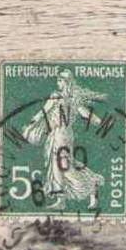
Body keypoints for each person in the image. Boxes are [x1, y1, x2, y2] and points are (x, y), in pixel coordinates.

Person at [21, 69, 106, 210]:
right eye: (57, 80)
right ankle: (61, 200)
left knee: (63, 166)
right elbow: (84, 114)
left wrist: (30, 125)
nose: (57, 83)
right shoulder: (71, 99)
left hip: (61, 135)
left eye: (60, 80)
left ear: (66, 82)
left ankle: (91, 184)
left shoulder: (58, 96)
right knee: (59, 166)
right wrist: (98, 121)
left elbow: (43, 112)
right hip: (61, 134)